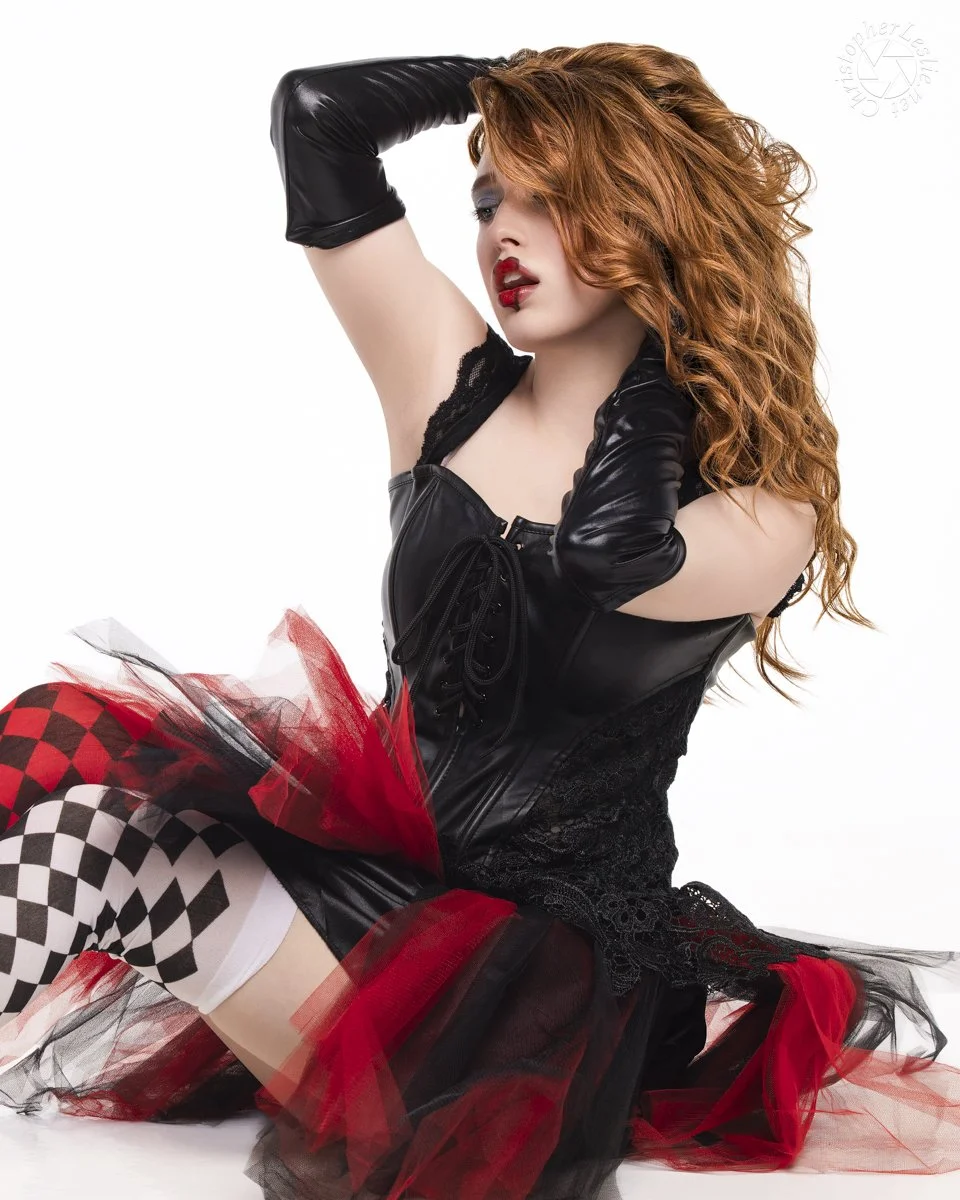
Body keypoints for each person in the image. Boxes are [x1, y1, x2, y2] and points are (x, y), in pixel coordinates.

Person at [0, 40, 959, 1200]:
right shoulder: (446, 389)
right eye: (491, 198)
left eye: (554, 197)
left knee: (106, 850)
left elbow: (610, 554)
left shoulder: (765, 511)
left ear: (649, 212)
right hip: (362, 903)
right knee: (57, 756)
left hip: (528, 1000)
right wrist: (514, 82)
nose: (504, 230)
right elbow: (316, 118)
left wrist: (663, 358)